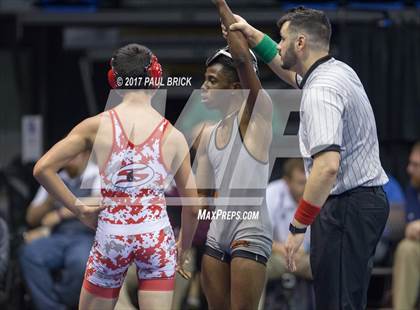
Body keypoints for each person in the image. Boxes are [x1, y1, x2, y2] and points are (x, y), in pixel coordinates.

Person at [226, 6, 389, 309]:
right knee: (345, 299)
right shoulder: (337, 71)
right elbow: (287, 68)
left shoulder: (321, 91)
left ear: (300, 43)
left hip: (347, 208)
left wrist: (298, 226)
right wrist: (251, 34)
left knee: (337, 303)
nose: (279, 45)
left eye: (283, 39)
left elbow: (327, 167)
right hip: (360, 205)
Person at [33, 43, 199, 309]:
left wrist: (79, 209)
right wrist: (184, 247)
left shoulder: (96, 126)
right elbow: (193, 206)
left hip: (113, 233)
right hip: (155, 234)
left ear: (114, 80)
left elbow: (42, 169)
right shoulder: (174, 136)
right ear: (154, 78)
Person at [196, 1, 273, 309]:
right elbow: (200, 199)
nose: (203, 88)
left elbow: (242, 58)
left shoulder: (257, 116)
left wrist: (221, 6)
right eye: (205, 79)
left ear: (237, 87)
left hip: (249, 229)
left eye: (212, 81)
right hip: (218, 232)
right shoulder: (208, 134)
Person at [20, 151, 98, 310]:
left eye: (74, 152)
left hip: (86, 235)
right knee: (30, 254)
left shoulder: (96, 174)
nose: (69, 156)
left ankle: (63, 302)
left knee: (81, 263)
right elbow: (31, 218)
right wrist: (49, 199)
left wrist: (60, 214)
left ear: (85, 155)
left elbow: (97, 203)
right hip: (58, 236)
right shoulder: (55, 177)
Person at [393, 141, 420, 310]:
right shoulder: (412, 190)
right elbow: (410, 227)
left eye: (416, 165)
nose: (409, 169)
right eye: (410, 163)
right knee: (406, 248)